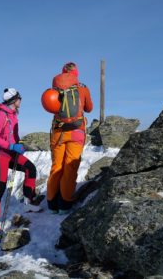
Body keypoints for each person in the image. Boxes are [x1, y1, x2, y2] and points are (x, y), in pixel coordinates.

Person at [0, 88, 42, 236]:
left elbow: (13, 135)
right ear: (14, 100)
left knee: (31, 168)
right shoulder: (1, 115)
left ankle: (28, 202)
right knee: (0, 187)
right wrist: (11, 146)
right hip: (0, 155)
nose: (21, 100)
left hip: (11, 153)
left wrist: (18, 144)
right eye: (19, 98)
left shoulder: (13, 115)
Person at [46, 62, 93, 214]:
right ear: (76, 74)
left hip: (58, 132)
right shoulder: (82, 88)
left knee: (57, 166)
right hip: (76, 132)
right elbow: (89, 108)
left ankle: (52, 203)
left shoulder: (56, 89)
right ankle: (65, 204)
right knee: (70, 167)